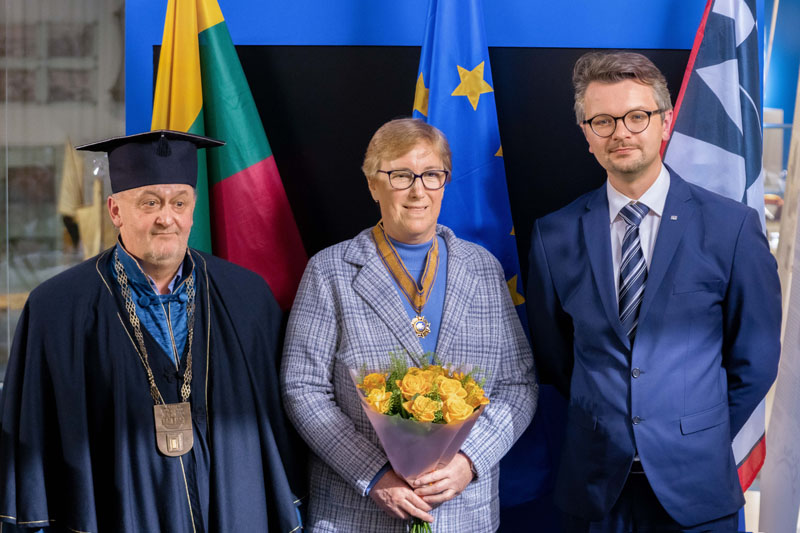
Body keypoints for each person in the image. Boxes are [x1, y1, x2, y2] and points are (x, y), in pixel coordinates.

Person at [527, 51, 781, 532]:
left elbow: (757, 357)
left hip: (697, 488)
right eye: (602, 120)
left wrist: (692, 432)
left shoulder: (730, 227)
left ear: (664, 123)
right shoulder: (552, 234)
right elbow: (557, 358)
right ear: (586, 134)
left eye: (637, 116)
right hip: (596, 490)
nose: (621, 132)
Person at [0, 130, 303, 532]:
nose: (167, 217)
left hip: (231, 509)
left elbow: (279, 430)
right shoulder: (57, 309)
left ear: (193, 209)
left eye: (179, 202)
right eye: (150, 202)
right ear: (114, 210)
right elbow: (34, 440)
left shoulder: (247, 298)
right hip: (119, 511)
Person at [281, 118, 536, 532]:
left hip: (463, 512)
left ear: (445, 182)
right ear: (372, 184)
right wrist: (376, 475)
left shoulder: (485, 270)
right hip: (357, 512)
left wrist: (469, 462)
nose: (418, 190)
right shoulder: (329, 271)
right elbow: (303, 389)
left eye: (431, 175)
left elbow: (518, 386)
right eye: (401, 175)